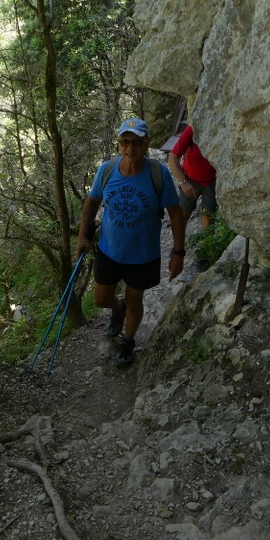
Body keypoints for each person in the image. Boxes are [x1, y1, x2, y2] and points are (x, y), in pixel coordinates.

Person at [76, 117, 186, 368]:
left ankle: (128, 341)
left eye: (136, 142)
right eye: (125, 142)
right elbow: (92, 202)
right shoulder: (106, 170)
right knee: (101, 298)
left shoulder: (158, 174)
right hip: (109, 249)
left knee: (136, 298)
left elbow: (176, 214)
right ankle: (118, 309)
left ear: (146, 143)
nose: (130, 148)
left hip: (143, 255)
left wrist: (178, 252)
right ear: (118, 145)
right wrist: (83, 237)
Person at [167, 123, 217, 232]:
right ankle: (178, 247)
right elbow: (173, 157)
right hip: (191, 178)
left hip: (211, 180)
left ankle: (207, 247)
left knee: (208, 217)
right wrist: (183, 182)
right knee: (182, 215)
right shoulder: (192, 129)